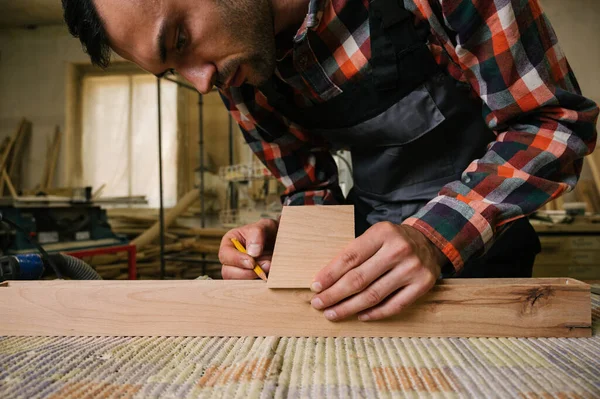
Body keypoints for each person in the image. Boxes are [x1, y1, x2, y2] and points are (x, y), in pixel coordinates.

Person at [63, 0, 598, 322]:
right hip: (364, 274)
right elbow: (308, 192)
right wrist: (286, 243)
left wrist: (433, 236)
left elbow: (554, 122)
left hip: (488, 260)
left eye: (180, 38)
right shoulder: (241, 74)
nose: (200, 82)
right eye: (172, 69)